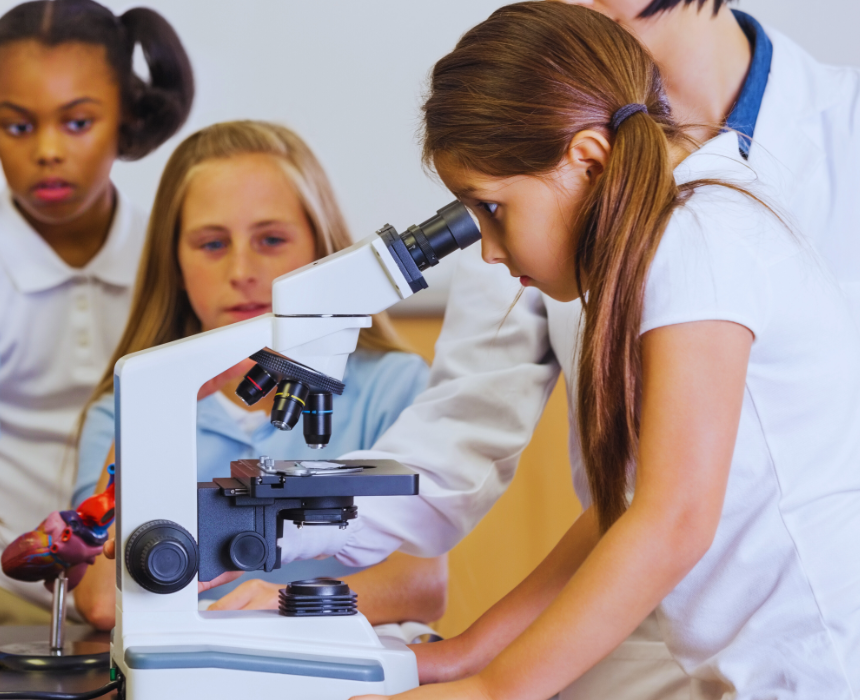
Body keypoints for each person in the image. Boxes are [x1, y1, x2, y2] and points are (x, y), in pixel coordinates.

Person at [283, 1, 860, 696]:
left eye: (491, 210)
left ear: (587, 159)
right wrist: (467, 657)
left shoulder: (695, 241)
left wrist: (495, 691)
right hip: (750, 666)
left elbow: (673, 521)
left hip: (816, 668)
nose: (487, 253)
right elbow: (623, 509)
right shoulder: (672, 232)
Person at [72, 121, 447, 632]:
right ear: (174, 262)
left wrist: (287, 603)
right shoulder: (124, 411)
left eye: (270, 239)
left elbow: (425, 587)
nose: (242, 270)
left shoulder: (392, 385)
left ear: (322, 252)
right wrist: (154, 409)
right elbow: (98, 600)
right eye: (211, 244)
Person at [0, 0, 194, 626]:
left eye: (77, 123)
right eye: (19, 127)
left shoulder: (181, 262)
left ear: (125, 115)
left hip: (149, 589)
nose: (48, 150)